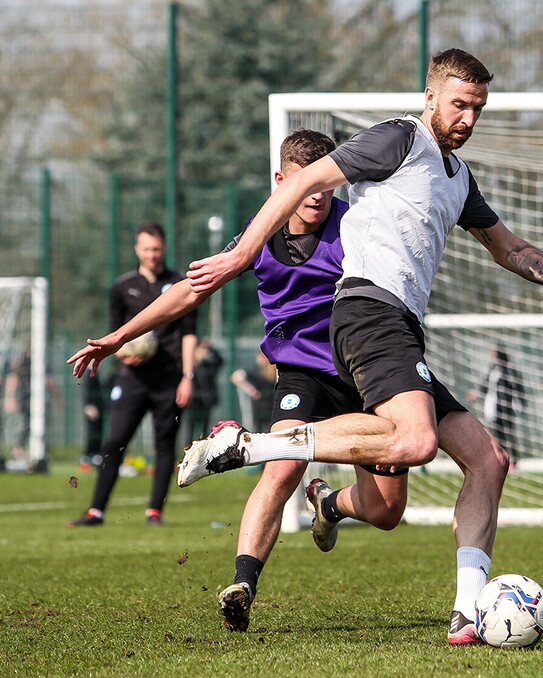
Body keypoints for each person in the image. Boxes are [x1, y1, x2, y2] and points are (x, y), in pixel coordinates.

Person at [179, 48, 543, 637]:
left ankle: (467, 612)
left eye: (478, 108)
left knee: (488, 462)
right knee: (415, 441)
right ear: (430, 96)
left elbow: (511, 249)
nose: (468, 118)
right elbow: (309, 178)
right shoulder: (400, 139)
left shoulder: (458, 178)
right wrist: (241, 254)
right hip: (367, 311)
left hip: (401, 326)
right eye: (459, 104)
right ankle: (251, 447)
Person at [68, 129, 511, 644]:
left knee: (387, 512)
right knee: (281, 465)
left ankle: (330, 505)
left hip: (368, 367)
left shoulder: (358, 225)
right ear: (282, 181)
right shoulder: (260, 233)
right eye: (306, 184)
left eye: (326, 183)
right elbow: (190, 291)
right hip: (302, 373)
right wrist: (120, 336)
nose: (318, 195)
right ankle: (243, 583)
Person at [68, 222, 197, 528]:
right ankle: (96, 511)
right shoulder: (122, 287)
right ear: (137, 249)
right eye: (147, 249)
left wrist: (187, 376)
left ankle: (155, 512)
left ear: (164, 248)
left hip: (169, 377)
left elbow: (189, 334)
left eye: (157, 249)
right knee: (114, 441)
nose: (152, 254)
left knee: (165, 445)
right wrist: (125, 354)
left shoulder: (181, 284)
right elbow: (113, 334)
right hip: (132, 378)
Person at [473, 345, 525, 469]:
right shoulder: (493, 368)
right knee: (496, 434)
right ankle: (501, 459)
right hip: (493, 406)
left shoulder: (509, 370)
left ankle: (513, 461)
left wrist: (519, 402)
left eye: (494, 353)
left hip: (506, 407)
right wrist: (477, 394)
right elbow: (486, 384)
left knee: (507, 434)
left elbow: (516, 388)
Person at [181, 337, 224, 445]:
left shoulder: (208, 365)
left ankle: (203, 447)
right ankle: (188, 447)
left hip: (206, 400)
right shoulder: (190, 368)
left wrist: (210, 348)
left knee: (205, 427)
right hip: (193, 400)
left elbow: (220, 361)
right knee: (190, 427)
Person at [230, 349, 276, 434]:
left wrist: (251, 391)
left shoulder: (256, 372)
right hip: (271, 409)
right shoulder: (276, 373)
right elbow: (236, 377)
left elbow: (236, 377)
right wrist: (251, 390)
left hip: (259, 409)